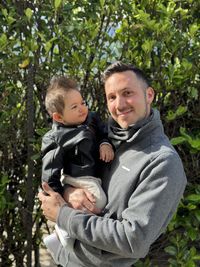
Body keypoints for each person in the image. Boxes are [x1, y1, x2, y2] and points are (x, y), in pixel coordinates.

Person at [38, 62, 187, 267]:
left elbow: (132, 239)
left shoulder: (163, 163)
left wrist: (64, 215)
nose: (120, 104)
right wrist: (67, 191)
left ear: (149, 94)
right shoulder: (104, 136)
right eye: (112, 97)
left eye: (128, 93)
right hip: (65, 258)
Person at [41, 76, 114, 262]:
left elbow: (103, 131)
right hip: (78, 178)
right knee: (98, 202)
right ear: (58, 117)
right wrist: (56, 198)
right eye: (74, 107)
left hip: (93, 176)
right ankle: (64, 231)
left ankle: (69, 230)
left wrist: (105, 143)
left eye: (83, 102)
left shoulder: (91, 119)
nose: (82, 108)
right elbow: (50, 172)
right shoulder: (56, 138)